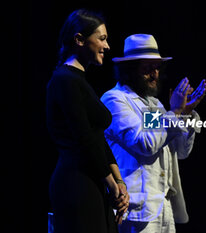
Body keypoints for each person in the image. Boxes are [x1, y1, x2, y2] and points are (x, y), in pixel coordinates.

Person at [101, 34, 206, 233]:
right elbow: (144, 143)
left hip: (164, 209)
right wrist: (174, 112)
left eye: (157, 67)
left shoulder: (155, 105)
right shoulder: (115, 100)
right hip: (137, 210)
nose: (155, 74)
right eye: (147, 69)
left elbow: (180, 151)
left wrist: (184, 114)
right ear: (130, 71)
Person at [46, 9, 129, 233]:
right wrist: (112, 185)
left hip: (96, 182)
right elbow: (84, 138)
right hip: (77, 183)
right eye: (102, 39)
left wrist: (119, 183)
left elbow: (97, 137)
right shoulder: (65, 80)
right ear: (80, 40)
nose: (107, 46)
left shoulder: (80, 81)